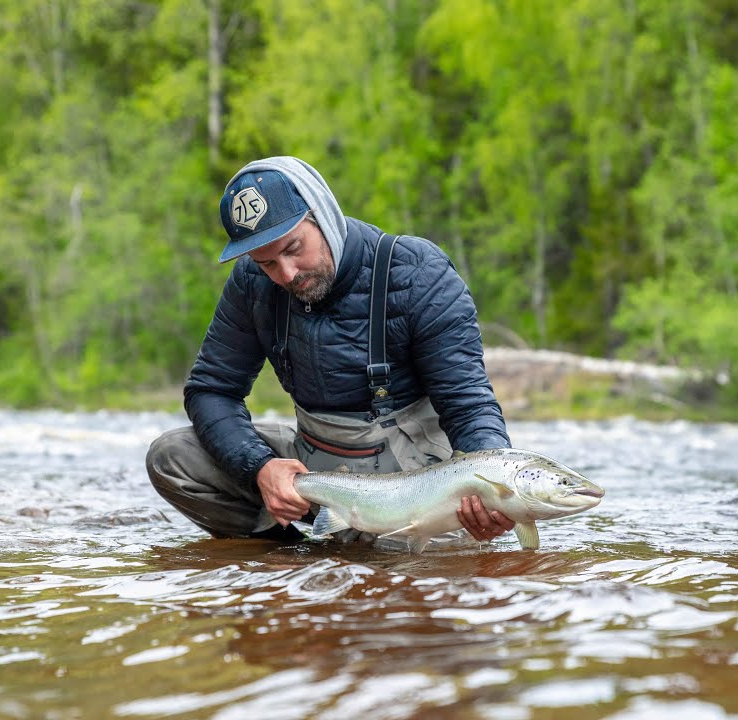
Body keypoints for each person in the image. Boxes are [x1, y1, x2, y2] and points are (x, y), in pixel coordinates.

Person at [146, 156, 515, 545]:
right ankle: (287, 561)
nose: (286, 274)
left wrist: (491, 493)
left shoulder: (419, 273)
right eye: (267, 262)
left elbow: (468, 406)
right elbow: (211, 389)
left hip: (412, 490)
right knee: (172, 457)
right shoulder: (252, 283)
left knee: (405, 579)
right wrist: (261, 467)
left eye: (293, 248)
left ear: (322, 214)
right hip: (314, 476)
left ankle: (349, 553)